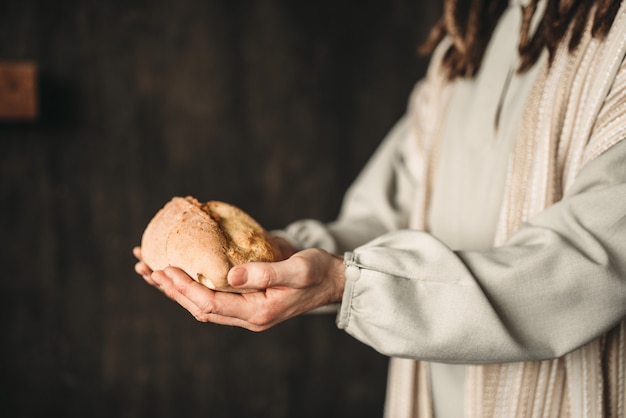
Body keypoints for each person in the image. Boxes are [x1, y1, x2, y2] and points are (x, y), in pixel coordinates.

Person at [134, 0, 626, 416]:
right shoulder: (465, 49)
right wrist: (284, 259)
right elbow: (387, 215)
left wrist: (346, 282)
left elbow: (587, 266)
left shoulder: (616, 40)